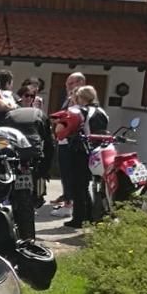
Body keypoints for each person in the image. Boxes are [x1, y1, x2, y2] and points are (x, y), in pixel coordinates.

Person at [52, 87, 94, 229]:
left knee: (76, 185)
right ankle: (90, 216)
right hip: (94, 149)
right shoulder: (99, 111)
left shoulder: (75, 111)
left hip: (77, 150)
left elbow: (60, 129)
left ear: (79, 97)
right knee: (85, 186)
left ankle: (78, 219)